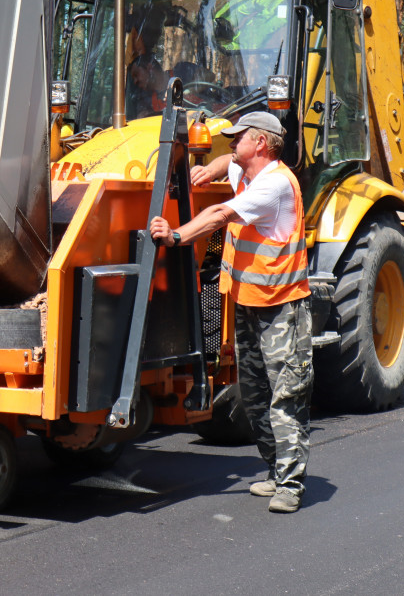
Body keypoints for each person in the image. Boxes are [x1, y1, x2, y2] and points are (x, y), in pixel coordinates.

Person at [149, 111, 313, 513]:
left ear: (259, 143)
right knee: (255, 394)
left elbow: (219, 215)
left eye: (237, 138)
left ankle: (290, 484)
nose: (230, 143)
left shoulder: (273, 185)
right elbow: (227, 164)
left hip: (281, 308)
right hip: (247, 304)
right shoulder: (248, 172)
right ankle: (275, 471)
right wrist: (208, 169)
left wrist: (174, 236)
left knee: (285, 395)